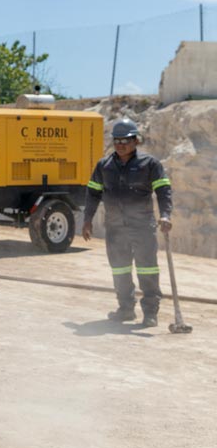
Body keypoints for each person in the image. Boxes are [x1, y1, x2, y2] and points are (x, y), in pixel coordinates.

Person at [82, 117, 173, 327]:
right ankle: (125, 309)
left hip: (142, 227)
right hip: (115, 228)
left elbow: (163, 191)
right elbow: (93, 194)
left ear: (136, 141)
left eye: (125, 140)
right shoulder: (104, 166)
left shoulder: (150, 164)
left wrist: (166, 214)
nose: (120, 145)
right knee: (120, 270)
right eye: (117, 140)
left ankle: (150, 313)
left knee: (147, 269)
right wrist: (87, 220)